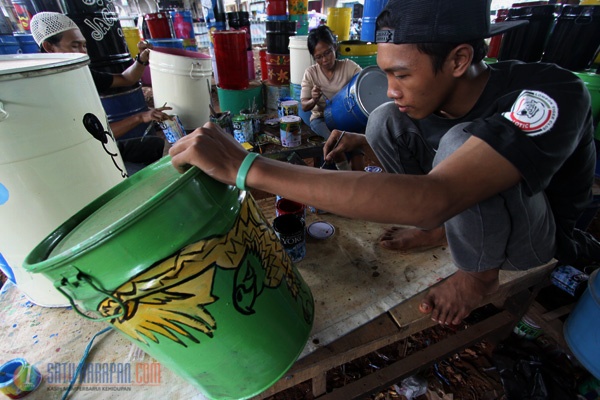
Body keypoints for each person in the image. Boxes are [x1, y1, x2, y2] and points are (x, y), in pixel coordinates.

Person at [168, 0, 600, 327]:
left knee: (459, 144)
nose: (391, 87)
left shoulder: (548, 95)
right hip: (459, 203)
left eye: (403, 76)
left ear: (459, 60)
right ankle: (441, 231)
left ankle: (478, 277)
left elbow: (440, 192)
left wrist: (248, 167)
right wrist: (366, 142)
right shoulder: (422, 95)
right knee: (382, 121)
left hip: (536, 238)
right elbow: (417, 157)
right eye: (387, 74)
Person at [30, 11, 171, 175]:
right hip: (83, 157)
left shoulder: (83, 73)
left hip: (101, 143)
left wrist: (141, 58)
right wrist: (140, 117)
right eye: (75, 46)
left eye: (84, 46)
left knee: (153, 145)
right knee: (140, 175)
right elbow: (92, 135)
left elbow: (127, 79)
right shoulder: (45, 91)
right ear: (49, 47)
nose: (83, 53)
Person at [301, 25, 362, 141]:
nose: (324, 60)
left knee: (355, 145)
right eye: (318, 57)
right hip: (321, 119)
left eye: (328, 52)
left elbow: (364, 84)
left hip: (348, 118)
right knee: (336, 141)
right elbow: (304, 106)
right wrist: (314, 99)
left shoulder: (349, 67)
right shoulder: (311, 73)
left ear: (335, 47)